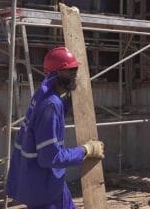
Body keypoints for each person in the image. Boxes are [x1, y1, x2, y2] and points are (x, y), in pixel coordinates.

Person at [7, 47, 105, 208]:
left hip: (40, 179)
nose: (74, 74)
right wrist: (86, 150)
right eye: (69, 70)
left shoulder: (43, 95)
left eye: (75, 69)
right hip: (44, 186)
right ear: (56, 73)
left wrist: (68, 103)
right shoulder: (51, 106)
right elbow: (50, 157)